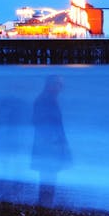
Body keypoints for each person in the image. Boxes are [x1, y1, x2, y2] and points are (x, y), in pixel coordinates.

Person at [30, 75, 70, 207]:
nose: (61, 87)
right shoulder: (45, 100)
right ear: (50, 84)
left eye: (61, 84)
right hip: (48, 146)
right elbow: (39, 123)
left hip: (48, 144)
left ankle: (45, 204)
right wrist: (55, 142)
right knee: (48, 174)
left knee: (48, 175)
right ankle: (45, 205)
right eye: (58, 84)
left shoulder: (47, 99)